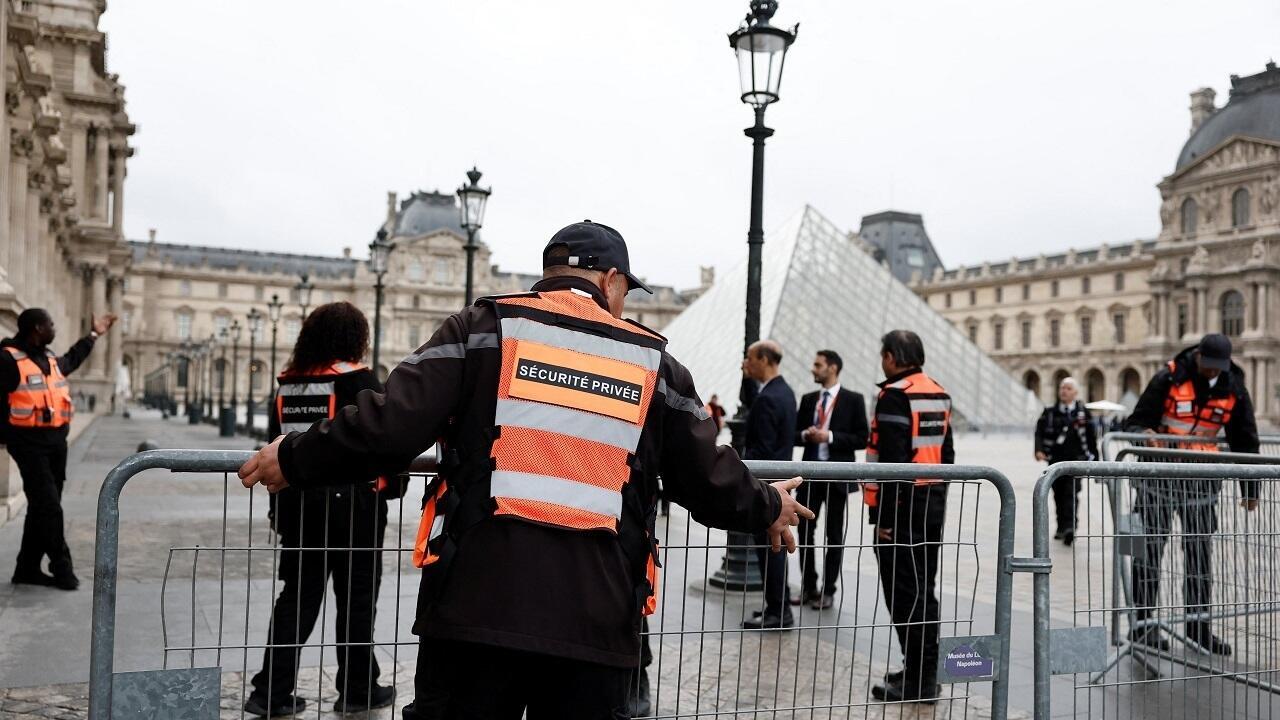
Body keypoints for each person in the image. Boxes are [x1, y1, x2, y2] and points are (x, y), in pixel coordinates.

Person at [237, 220, 813, 719]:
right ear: (611, 282)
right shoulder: (653, 363)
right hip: (597, 617)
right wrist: (769, 506)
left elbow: (388, 424)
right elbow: (707, 477)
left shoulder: (482, 329)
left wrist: (291, 457)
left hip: (475, 607)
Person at [243, 302, 395, 716]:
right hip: (353, 509)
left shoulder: (287, 384)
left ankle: (270, 691)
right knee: (357, 600)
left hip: (298, 504)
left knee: (296, 598)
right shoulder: (359, 379)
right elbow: (380, 439)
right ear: (355, 338)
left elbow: (277, 445)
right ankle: (359, 687)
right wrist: (392, 488)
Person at [1124, 333, 1258, 656]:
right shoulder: (1168, 377)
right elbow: (1134, 422)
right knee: (1149, 553)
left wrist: (1251, 488)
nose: (1213, 373)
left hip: (1200, 482)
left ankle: (1198, 629)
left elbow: (1245, 437)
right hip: (1158, 479)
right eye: (1209, 366)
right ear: (1198, 356)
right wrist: (1145, 435)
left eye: (1218, 367)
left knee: (1199, 555)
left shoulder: (1233, 386)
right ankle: (1143, 626)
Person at [865, 330, 953, 704]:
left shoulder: (895, 396)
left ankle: (919, 681)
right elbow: (946, 455)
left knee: (903, 594)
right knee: (923, 591)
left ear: (892, 356)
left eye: (883, 354)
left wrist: (884, 519)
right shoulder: (937, 391)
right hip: (930, 505)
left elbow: (893, 464)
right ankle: (921, 670)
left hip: (899, 514)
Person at [4, 308, 115, 591]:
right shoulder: (7, 358)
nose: (54, 327)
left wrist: (94, 335)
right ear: (38, 328)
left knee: (42, 507)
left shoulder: (49, 358)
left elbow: (73, 358)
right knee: (50, 506)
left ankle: (27, 568)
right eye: (51, 324)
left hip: (56, 445)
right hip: (28, 445)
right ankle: (62, 567)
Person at [792, 350, 867, 609]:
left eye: (818, 365)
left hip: (836, 476)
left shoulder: (853, 400)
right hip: (810, 477)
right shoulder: (808, 399)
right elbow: (794, 434)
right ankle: (808, 587)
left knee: (834, 535)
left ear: (832, 367)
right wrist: (806, 434)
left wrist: (830, 436)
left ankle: (828, 590)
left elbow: (861, 438)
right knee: (804, 532)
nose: (813, 369)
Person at [738, 340, 798, 630]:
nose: (746, 363)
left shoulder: (768, 398)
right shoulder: (784, 392)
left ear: (764, 359)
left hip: (767, 488)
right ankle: (778, 607)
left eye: (750, 359)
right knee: (773, 549)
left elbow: (759, 449)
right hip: (780, 484)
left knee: (770, 550)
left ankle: (778, 611)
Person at [1033, 377, 1098, 545]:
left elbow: (1092, 437)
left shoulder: (1083, 412)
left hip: (1076, 461)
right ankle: (1061, 526)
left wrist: (1096, 460)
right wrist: (1039, 450)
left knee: (1072, 493)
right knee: (1057, 494)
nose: (1064, 391)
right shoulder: (1049, 412)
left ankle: (1070, 527)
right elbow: (1039, 432)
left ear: (1075, 392)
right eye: (1062, 387)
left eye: (1068, 388)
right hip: (1055, 459)